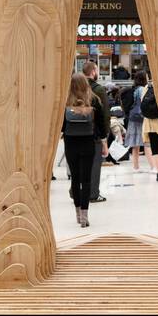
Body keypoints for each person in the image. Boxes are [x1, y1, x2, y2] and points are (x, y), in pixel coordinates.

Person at [62, 72, 108, 227]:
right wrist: (103, 141)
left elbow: (61, 126)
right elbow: (102, 124)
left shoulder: (65, 101)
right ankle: (85, 215)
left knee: (74, 178)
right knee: (86, 179)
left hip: (71, 142)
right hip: (89, 142)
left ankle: (77, 213)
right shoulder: (94, 100)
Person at [81, 60, 111, 204]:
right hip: (93, 133)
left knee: (78, 164)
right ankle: (93, 193)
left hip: (74, 132)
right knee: (94, 164)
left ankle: (75, 192)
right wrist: (105, 137)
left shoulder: (75, 87)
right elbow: (104, 115)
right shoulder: (98, 89)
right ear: (93, 72)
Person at [122, 70, 150, 171]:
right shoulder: (143, 89)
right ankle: (153, 166)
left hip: (133, 118)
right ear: (143, 78)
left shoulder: (134, 89)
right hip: (142, 118)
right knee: (147, 143)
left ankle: (136, 167)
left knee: (135, 144)